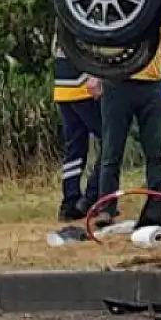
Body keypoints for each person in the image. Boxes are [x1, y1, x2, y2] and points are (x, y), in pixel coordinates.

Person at [94, 24, 161, 223]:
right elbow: (102, 43)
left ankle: (158, 205)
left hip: (152, 87)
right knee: (112, 150)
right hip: (117, 84)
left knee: (156, 151)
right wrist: (94, 74)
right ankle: (106, 208)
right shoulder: (125, 13)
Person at [52, 38, 103, 221]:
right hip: (84, 86)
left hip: (63, 87)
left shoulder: (64, 13)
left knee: (74, 148)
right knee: (110, 141)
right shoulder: (82, 12)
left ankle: (70, 201)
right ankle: (93, 195)